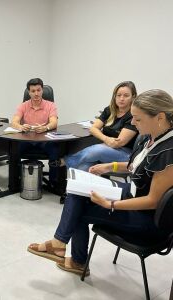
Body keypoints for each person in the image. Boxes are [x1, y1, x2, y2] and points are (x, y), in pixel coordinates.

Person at [27, 89, 173, 276]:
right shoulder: (153, 137)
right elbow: (136, 166)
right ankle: (61, 246)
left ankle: (71, 255)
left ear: (159, 117)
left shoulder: (168, 151)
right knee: (77, 191)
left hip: (147, 220)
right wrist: (108, 167)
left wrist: (110, 204)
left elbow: (153, 201)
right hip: (133, 195)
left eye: (138, 119)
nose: (134, 123)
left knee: (78, 211)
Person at [65, 81, 138, 171]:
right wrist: (106, 139)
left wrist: (105, 143)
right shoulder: (110, 110)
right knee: (84, 167)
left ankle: (66, 161)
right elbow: (93, 128)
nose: (121, 98)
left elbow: (118, 143)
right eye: (119, 95)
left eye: (126, 95)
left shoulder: (133, 115)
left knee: (97, 150)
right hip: (106, 147)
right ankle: (70, 184)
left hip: (126, 154)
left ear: (133, 97)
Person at [11, 77, 62, 193]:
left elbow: (54, 122)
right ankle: (17, 180)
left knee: (55, 152)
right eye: (33, 91)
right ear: (29, 92)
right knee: (13, 150)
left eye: (38, 90)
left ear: (42, 90)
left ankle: (53, 182)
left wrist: (46, 127)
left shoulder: (51, 105)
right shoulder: (23, 105)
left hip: (44, 140)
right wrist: (21, 127)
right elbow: (14, 122)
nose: (36, 93)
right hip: (27, 140)